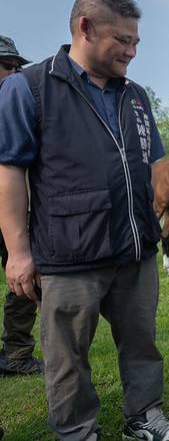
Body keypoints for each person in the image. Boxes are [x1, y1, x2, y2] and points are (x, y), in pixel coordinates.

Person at [0, 0, 169, 441]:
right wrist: (19, 253)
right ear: (85, 27)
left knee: (142, 344)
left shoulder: (137, 97)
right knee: (67, 356)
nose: (131, 52)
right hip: (70, 255)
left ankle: (143, 417)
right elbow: (8, 174)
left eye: (136, 42)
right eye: (122, 41)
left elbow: (149, 168)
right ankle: (78, 430)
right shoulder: (29, 88)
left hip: (136, 251)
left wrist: (149, 233)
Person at [0, 35, 41, 378]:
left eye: (17, 67)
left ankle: (16, 352)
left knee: (24, 281)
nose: (13, 73)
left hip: (15, 212)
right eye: (5, 66)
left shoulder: (21, 105)